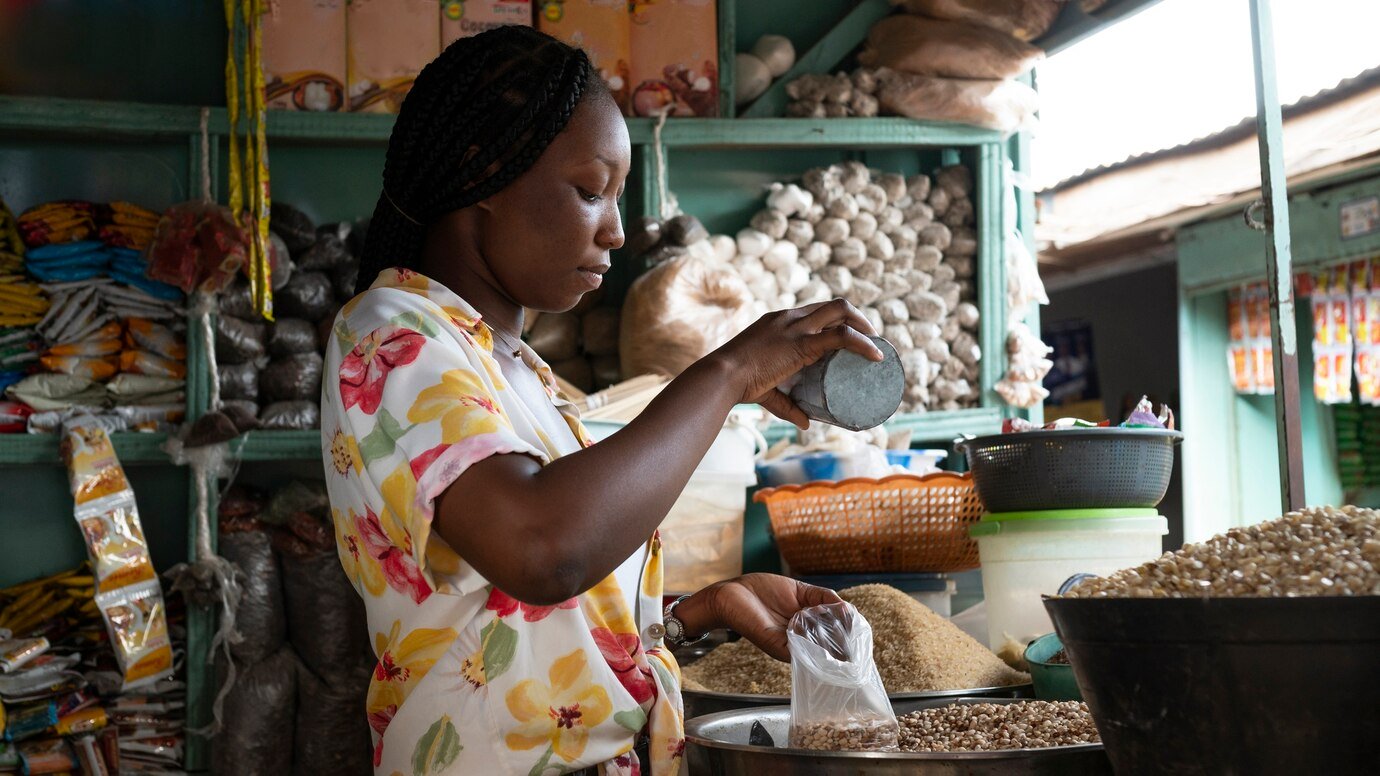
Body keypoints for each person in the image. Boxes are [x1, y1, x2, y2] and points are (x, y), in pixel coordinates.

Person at [321, 26, 883, 776]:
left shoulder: (515, 369)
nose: (616, 231)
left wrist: (694, 612)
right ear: (483, 173)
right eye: (591, 192)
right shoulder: (391, 335)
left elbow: (521, 614)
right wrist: (727, 374)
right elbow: (542, 549)